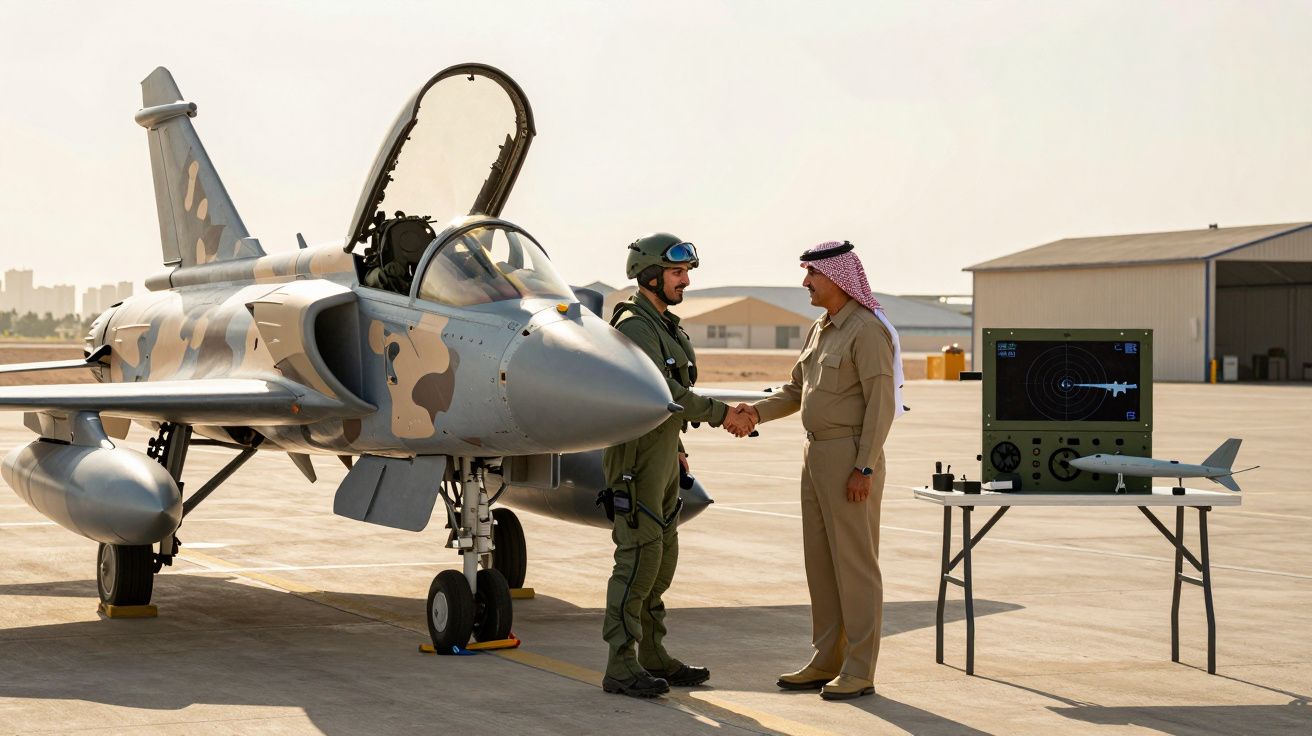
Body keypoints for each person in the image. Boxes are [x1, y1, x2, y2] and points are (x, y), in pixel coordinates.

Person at [723, 240, 904, 701]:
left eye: (812, 276)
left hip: (850, 458)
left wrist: (863, 466)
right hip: (816, 456)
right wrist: (754, 413)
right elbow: (794, 391)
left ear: (839, 279)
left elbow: (882, 406)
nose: (805, 283)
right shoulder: (822, 329)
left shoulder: (866, 331)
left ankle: (860, 669)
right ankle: (826, 660)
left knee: (856, 567)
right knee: (821, 565)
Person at [601, 232, 741, 698]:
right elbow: (667, 394)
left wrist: (679, 446)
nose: (686, 281)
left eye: (686, 273)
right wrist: (724, 414)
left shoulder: (665, 324)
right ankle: (620, 665)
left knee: (661, 561)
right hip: (636, 458)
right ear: (650, 276)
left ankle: (654, 656)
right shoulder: (635, 326)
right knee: (638, 560)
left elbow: (668, 405)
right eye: (678, 273)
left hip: (661, 454)